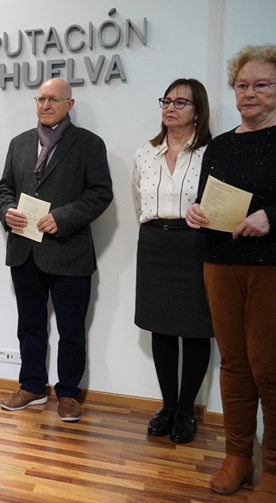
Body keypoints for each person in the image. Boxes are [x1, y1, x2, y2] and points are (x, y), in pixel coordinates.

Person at [186, 45, 276, 502]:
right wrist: (195, 212)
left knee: (270, 368)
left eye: (262, 85)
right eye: (243, 86)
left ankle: (275, 466)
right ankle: (238, 456)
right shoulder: (219, 146)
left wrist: (270, 217)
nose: (250, 93)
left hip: (271, 267)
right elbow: (208, 198)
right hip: (219, 263)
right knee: (235, 365)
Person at [0, 78, 113, 423]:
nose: (45, 105)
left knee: (71, 328)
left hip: (69, 250)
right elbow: (3, 189)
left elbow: (100, 194)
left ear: (69, 104)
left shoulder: (89, 144)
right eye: (41, 99)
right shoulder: (19, 143)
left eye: (53, 100)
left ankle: (68, 394)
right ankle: (31, 387)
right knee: (30, 325)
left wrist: (62, 217)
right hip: (24, 251)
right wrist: (6, 210)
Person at [132, 79, 214, 444]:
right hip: (153, 243)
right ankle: (167, 407)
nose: (171, 107)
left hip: (195, 244)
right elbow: (138, 201)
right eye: (167, 100)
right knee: (160, 327)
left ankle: (186, 410)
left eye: (182, 102)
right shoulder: (143, 154)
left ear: (198, 111)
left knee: (196, 328)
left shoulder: (212, 152)